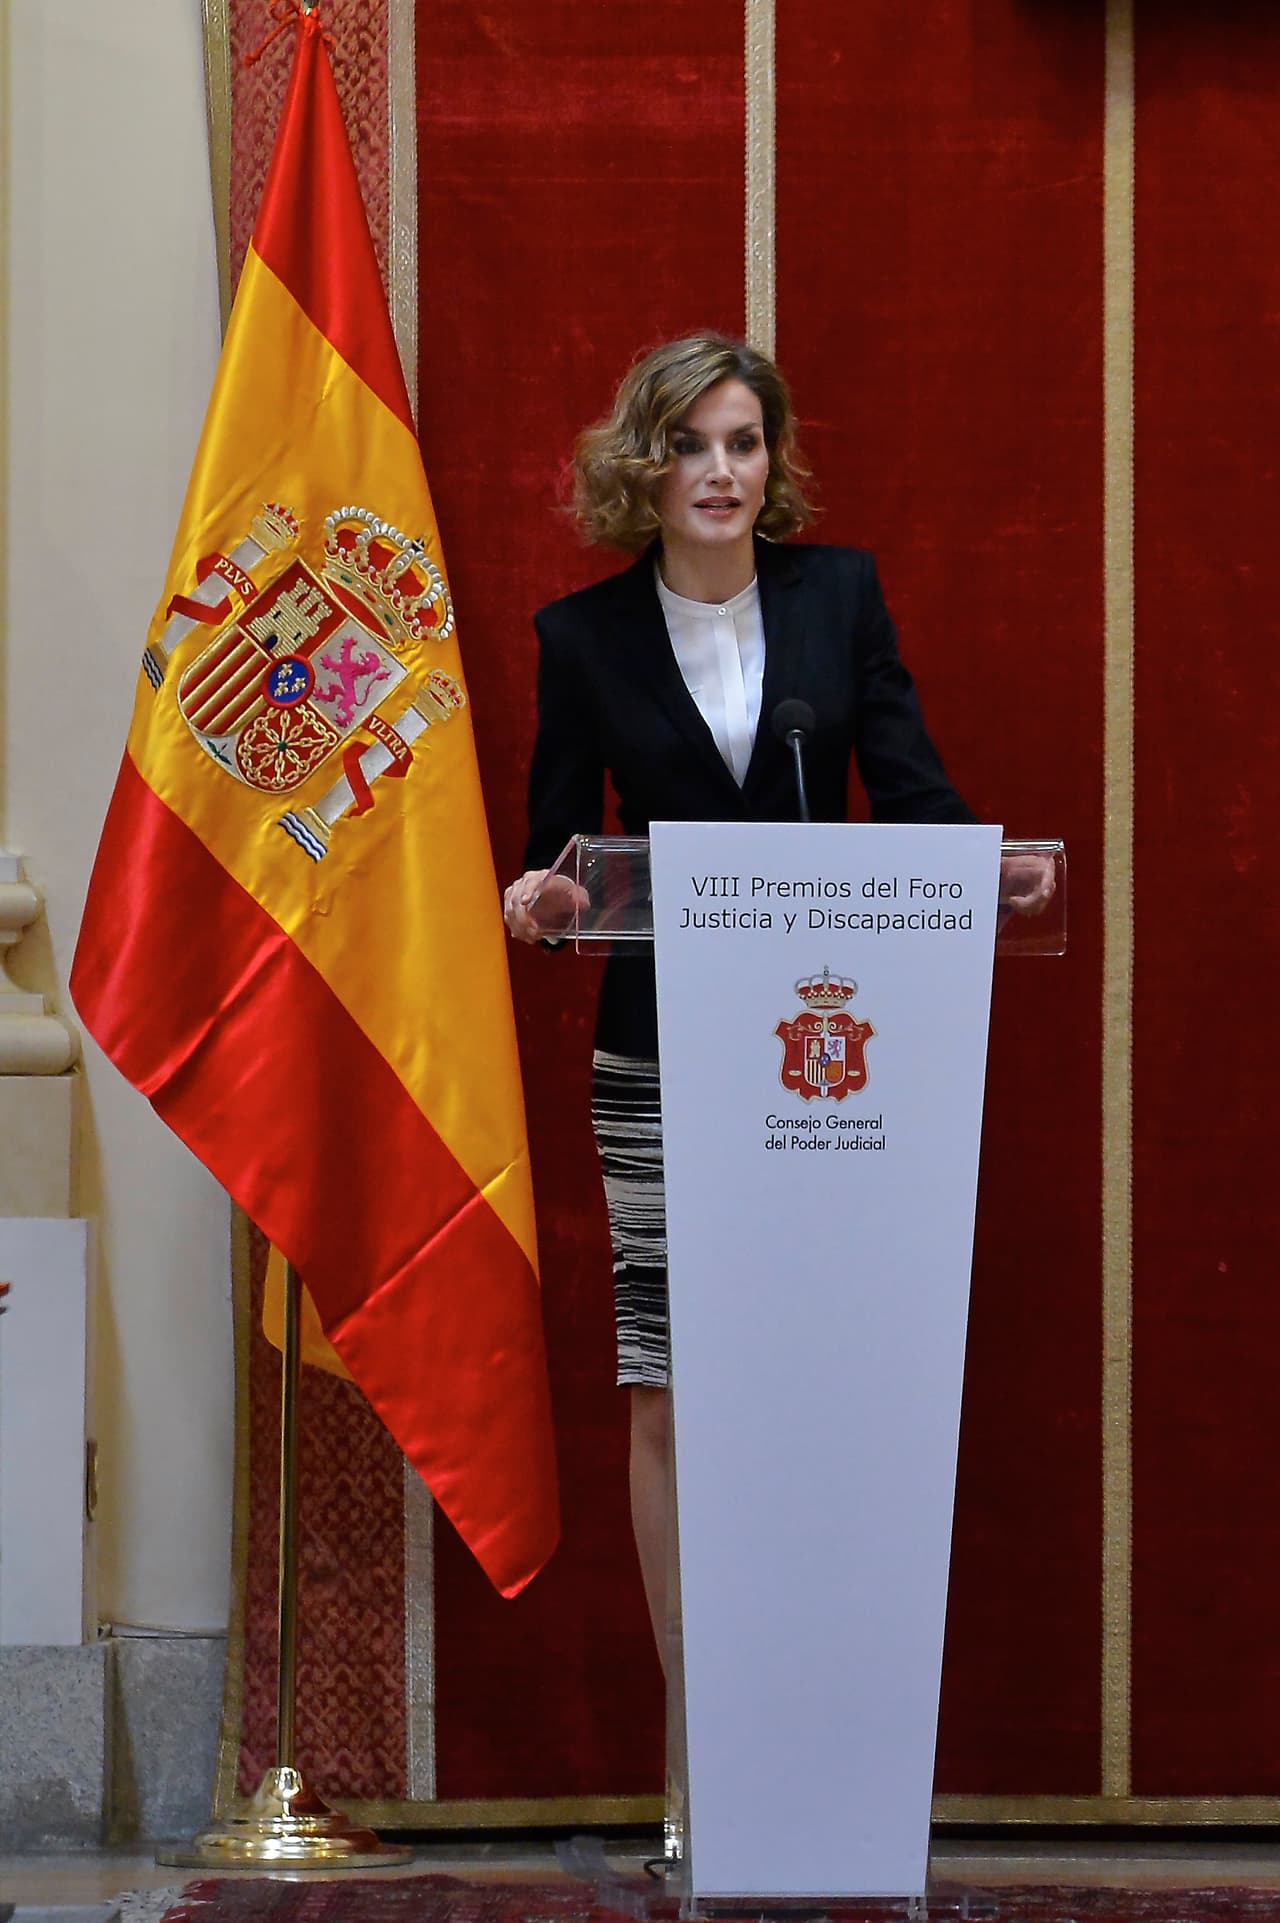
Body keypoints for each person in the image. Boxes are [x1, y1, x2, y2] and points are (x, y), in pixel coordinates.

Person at [503, 332, 1050, 1658]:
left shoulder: (837, 599)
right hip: (662, 1058)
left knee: (822, 1385)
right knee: (672, 1388)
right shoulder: (583, 639)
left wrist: (987, 870)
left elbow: (912, 791)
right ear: (645, 465)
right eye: (690, 444)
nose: (720, 471)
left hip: (827, 1062)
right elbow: (557, 851)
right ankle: (696, 1724)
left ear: (772, 462)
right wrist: (541, 901)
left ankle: (817, 1693)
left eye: (743, 443)